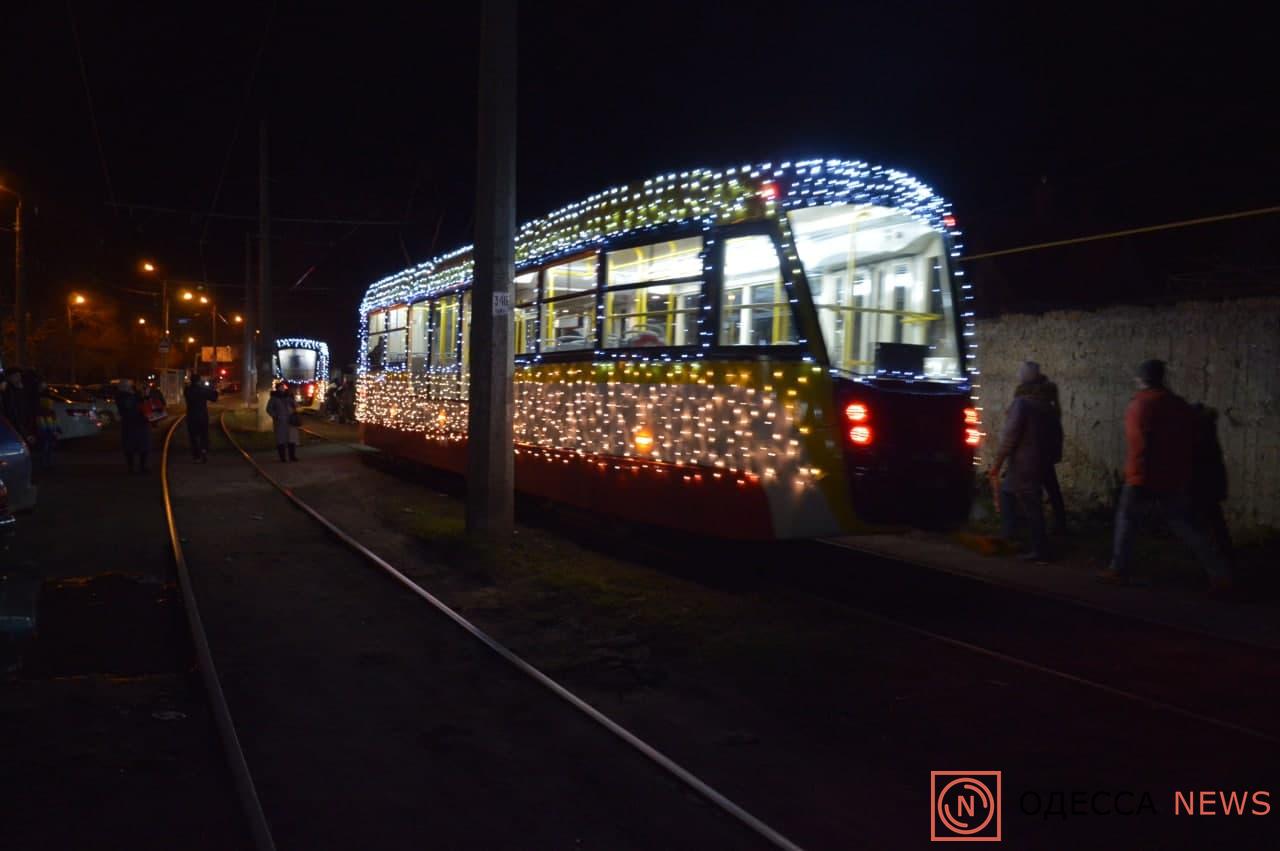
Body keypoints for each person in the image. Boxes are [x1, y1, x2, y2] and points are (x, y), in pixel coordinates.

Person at [1098, 360, 1230, 591]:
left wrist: (1135, 475)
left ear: (1141, 379)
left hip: (1143, 477)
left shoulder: (1139, 404)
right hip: (1174, 477)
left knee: (1127, 520)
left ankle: (1118, 569)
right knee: (1186, 525)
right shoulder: (1178, 405)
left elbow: (1138, 443)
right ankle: (1219, 574)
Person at [988, 362, 1058, 563]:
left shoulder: (1022, 404)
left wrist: (997, 463)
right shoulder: (1045, 405)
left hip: (1023, 463)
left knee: (1031, 504)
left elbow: (1010, 437)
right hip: (1038, 462)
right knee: (1009, 493)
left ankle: (1038, 550)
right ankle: (1013, 537)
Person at [1012, 362, 1067, 534]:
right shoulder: (1049, 394)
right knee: (1051, 487)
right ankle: (1059, 524)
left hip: (1030, 452)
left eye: (1021, 372)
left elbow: (1017, 426)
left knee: (1028, 491)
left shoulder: (1026, 396)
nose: (1018, 374)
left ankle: (1031, 532)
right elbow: (1056, 424)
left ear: (1028, 375)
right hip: (1046, 449)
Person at [1190, 402, 1234, 574]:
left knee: (1207, 527)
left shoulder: (1201, 436)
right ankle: (1224, 562)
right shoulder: (1209, 433)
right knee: (1215, 525)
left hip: (1203, 488)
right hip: (1212, 487)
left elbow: (1198, 465)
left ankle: (1218, 567)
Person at [115, 378, 151, 473]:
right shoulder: (128, 397)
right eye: (132, 386)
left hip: (129, 424)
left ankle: (132, 467)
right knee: (142, 446)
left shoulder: (122, 397)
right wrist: (144, 396)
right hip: (137, 423)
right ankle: (141, 467)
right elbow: (138, 406)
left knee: (130, 447)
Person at [183, 375, 219, 463]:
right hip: (202, 416)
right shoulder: (203, 390)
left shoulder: (187, 390)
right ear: (199, 381)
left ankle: (196, 456)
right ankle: (204, 451)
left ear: (191, 381)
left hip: (191, 416)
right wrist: (213, 388)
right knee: (204, 435)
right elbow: (214, 398)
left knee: (193, 437)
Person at [266, 381, 300, 462]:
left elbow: (296, 406)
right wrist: (276, 416)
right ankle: (283, 458)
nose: (283, 389)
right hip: (280, 422)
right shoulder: (274, 398)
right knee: (281, 440)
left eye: (283, 387)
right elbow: (269, 409)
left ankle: (292, 456)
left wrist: (293, 400)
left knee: (291, 440)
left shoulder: (288, 396)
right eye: (281, 387)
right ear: (277, 388)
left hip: (290, 421)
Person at [35, 382, 59, 469]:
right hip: (48, 429)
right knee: (47, 447)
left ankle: (47, 462)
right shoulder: (45, 407)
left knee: (47, 446)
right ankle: (46, 463)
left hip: (48, 429)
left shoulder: (44, 407)